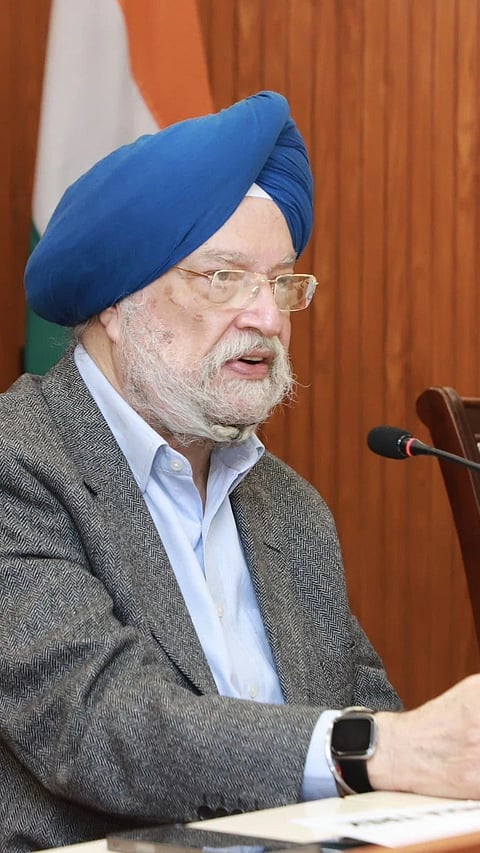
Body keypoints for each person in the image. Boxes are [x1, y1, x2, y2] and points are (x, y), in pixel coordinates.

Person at [1, 91, 479, 853]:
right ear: (117, 304)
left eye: (282, 283)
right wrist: (373, 749)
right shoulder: (18, 462)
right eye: (225, 278)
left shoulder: (289, 506)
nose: (268, 318)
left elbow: (377, 723)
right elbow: (100, 723)